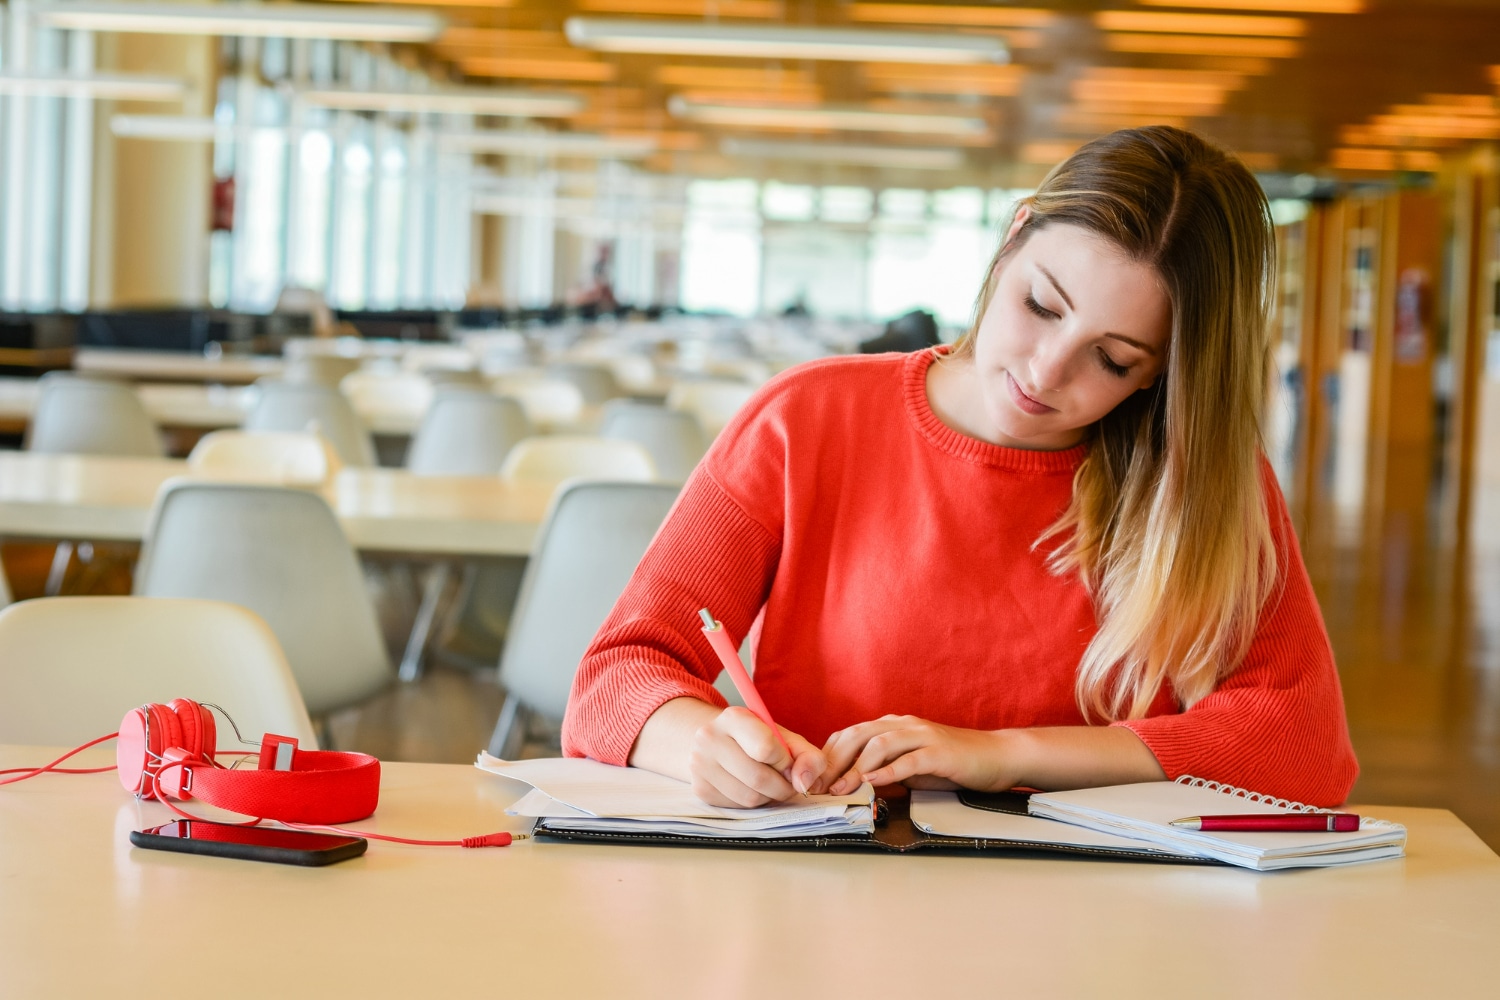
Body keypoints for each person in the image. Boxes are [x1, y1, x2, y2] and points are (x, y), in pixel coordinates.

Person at [562, 127, 1359, 809]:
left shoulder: (1201, 478)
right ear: (1013, 236)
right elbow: (616, 679)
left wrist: (1001, 754)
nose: (1045, 372)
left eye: (1113, 360)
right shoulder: (806, 419)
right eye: (1040, 306)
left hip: (1097, 929)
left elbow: (1302, 746)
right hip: (818, 901)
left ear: (1164, 373)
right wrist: (699, 743)